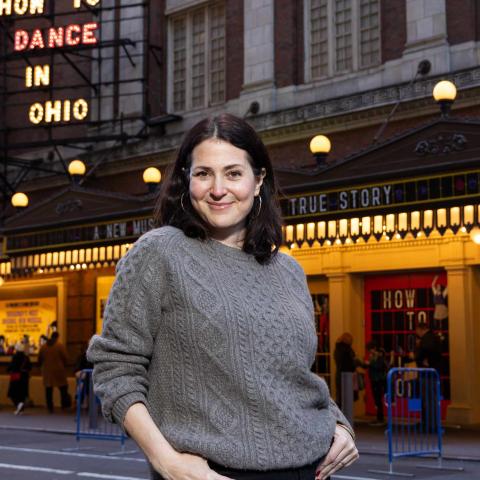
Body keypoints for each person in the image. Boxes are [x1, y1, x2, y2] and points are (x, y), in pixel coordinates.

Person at [88, 114, 358, 480]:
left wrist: (338, 423)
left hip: (312, 469)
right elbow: (115, 369)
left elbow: (288, 374)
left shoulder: (288, 270)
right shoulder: (159, 253)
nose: (218, 189)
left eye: (233, 173)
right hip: (208, 473)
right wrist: (167, 462)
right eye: (203, 174)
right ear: (187, 180)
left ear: (258, 180)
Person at [415, 322, 442, 432]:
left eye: (417, 330)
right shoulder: (434, 337)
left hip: (428, 374)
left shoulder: (427, 339)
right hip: (433, 372)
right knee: (431, 399)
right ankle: (431, 423)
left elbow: (427, 349)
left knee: (428, 399)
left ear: (421, 329)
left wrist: (420, 355)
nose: (417, 333)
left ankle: (429, 425)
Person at [38, 332, 71, 413]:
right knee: (63, 388)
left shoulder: (43, 347)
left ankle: (50, 407)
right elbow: (66, 358)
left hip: (47, 371)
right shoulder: (60, 346)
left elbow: (39, 359)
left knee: (48, 390)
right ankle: (64, 405)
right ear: (57, 337)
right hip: (59, 371)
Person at [363, 341, 387, 426]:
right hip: (374, 379)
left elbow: (379, 366)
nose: (370, 352)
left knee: (378, 399)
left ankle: (380, 418)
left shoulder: (380, 355)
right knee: (376, 399)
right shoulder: (373, 356)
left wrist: (370, 363)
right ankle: (378, 417)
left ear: (374, 348)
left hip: (379, 379)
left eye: (370, 350)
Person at [7, 341, 31, 415]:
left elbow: (11, 366)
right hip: (24, 377)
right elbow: (30, 367)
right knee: (22, 393)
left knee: (13, 393)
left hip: (16, 377)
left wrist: (8, 370)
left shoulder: (15, 357)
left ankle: (18, 405)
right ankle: (21, 408)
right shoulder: (26, 357)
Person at [334, 333, 358, 408]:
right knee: (345, 398)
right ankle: (344, 417)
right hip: (347, 376)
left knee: (340, 397)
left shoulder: (337, 349)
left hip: (339, 375)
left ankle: (340, 416)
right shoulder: (346, 350)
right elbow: (349, 363)